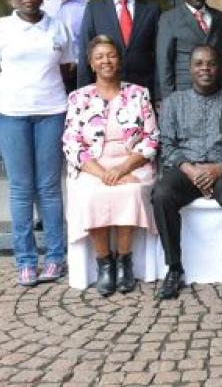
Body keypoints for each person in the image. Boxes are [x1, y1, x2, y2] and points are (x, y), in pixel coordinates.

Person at [0, 0, 74, 286]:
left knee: (49, 188)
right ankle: (26, 261)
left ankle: (55, 258)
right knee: (21, 189)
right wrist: (1, 98)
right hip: (11, 115)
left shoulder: (57, 27)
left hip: (52, 113)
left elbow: (67, 67)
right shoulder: (0, 28)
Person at [152, 46, 222, 298]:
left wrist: (220, 167)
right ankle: (174, 268)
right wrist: (189, 168)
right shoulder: (174, 103)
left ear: (219, 68)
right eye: (199, 63)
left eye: (210, 63)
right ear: (190, 68)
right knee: (161, 194)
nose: (205, 68)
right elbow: (166, 144)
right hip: (185, 168)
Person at [63, 35, 159, 296]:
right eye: (99, 57)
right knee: (91, 194)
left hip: (132, 164)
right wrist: (105, 174)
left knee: (131, 191)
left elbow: (151, 139)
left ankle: (124, 261)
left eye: (111, 55)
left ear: (119, 60)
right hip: (93, 167)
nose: (106, 61)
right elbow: (72, 144)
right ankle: (104, 263)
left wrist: (122, 170)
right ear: (91, 63)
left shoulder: (139, 94)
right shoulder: (78, 98)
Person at [77, 0, 161, 100]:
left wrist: (159, 94)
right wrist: (83, 94)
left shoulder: (152, 9)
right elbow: (86, 51)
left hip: (143, 90)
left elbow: (159, 54)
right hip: (105, 91)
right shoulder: (94, 9)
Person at [156, 0, 222, 101]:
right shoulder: (169, 19)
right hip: (184, 93)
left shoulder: (221, 18)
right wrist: (169, 99)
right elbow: (164, 62)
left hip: (218, 92)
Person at [42, 0, 87, 94]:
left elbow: (92, 40)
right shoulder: (38, 5)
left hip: (80, 75)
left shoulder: (86, 6)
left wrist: (78, 61)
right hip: (47, 75)